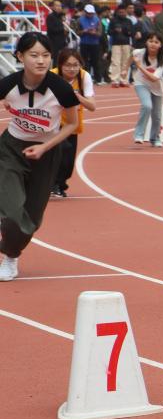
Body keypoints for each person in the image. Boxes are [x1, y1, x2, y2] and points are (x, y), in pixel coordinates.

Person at [0, 33, 80, 280]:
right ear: (20, 56)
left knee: (31, 218)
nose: (41, 61)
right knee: (12, 212)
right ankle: (10, 255)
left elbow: (71, 124)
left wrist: (45, 147)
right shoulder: (8, 84)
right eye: (34, 55)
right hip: (12, 149)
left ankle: (11, 251)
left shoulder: (61, 88)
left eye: (45, 55)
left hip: (47, 152)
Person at [51, 48, 97, 197]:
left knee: (68, 162)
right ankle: (53, 185)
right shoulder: (51, 76)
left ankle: (60, 185)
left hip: (72, 123)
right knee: (59, 153)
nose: (72, 69)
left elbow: (92, 106)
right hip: (53, 123)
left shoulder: (84, 77)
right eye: (67, 65)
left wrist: (77, 96)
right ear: (60, 65)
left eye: (75, 65)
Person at [131, 33, 163, 147]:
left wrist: (139, 66)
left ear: (160, 45)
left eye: (156, 42)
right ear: (146, 42)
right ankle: (139, 135)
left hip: (157, 87)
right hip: (141, 83)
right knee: (147, 105)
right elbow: (131, 56)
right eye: (150, 41)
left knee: (157, 116)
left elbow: (154, 78)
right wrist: (124, 69)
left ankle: (155, 138)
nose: (153, 44)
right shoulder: (139, 52)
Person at [108, 4, 135, 88]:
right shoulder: (113, 21)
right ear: (117, 12)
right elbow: (109, 32)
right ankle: (115, 80)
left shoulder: (129, 21)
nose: (121, 14)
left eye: (123, 12)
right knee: (115, 62)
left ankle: (124, 80)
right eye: (120, 12)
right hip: (115, 44)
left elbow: (132, 33)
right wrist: (115, 30)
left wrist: (124, 30)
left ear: (126, 12)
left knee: (126, 62)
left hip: (126, 43)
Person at [77, 4, 102, 81]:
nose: (90, 14)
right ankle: (84, 78)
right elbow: (77, 32)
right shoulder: (80, 20)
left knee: (95, 61)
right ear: (85, 12)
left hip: (95, 44)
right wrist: (84, 31)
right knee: (84, 61)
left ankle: (98, 79)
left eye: (91, 13)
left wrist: (94, 33)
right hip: (84, 43)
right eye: (88, 13)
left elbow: (100, 33)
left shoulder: (97, 20)